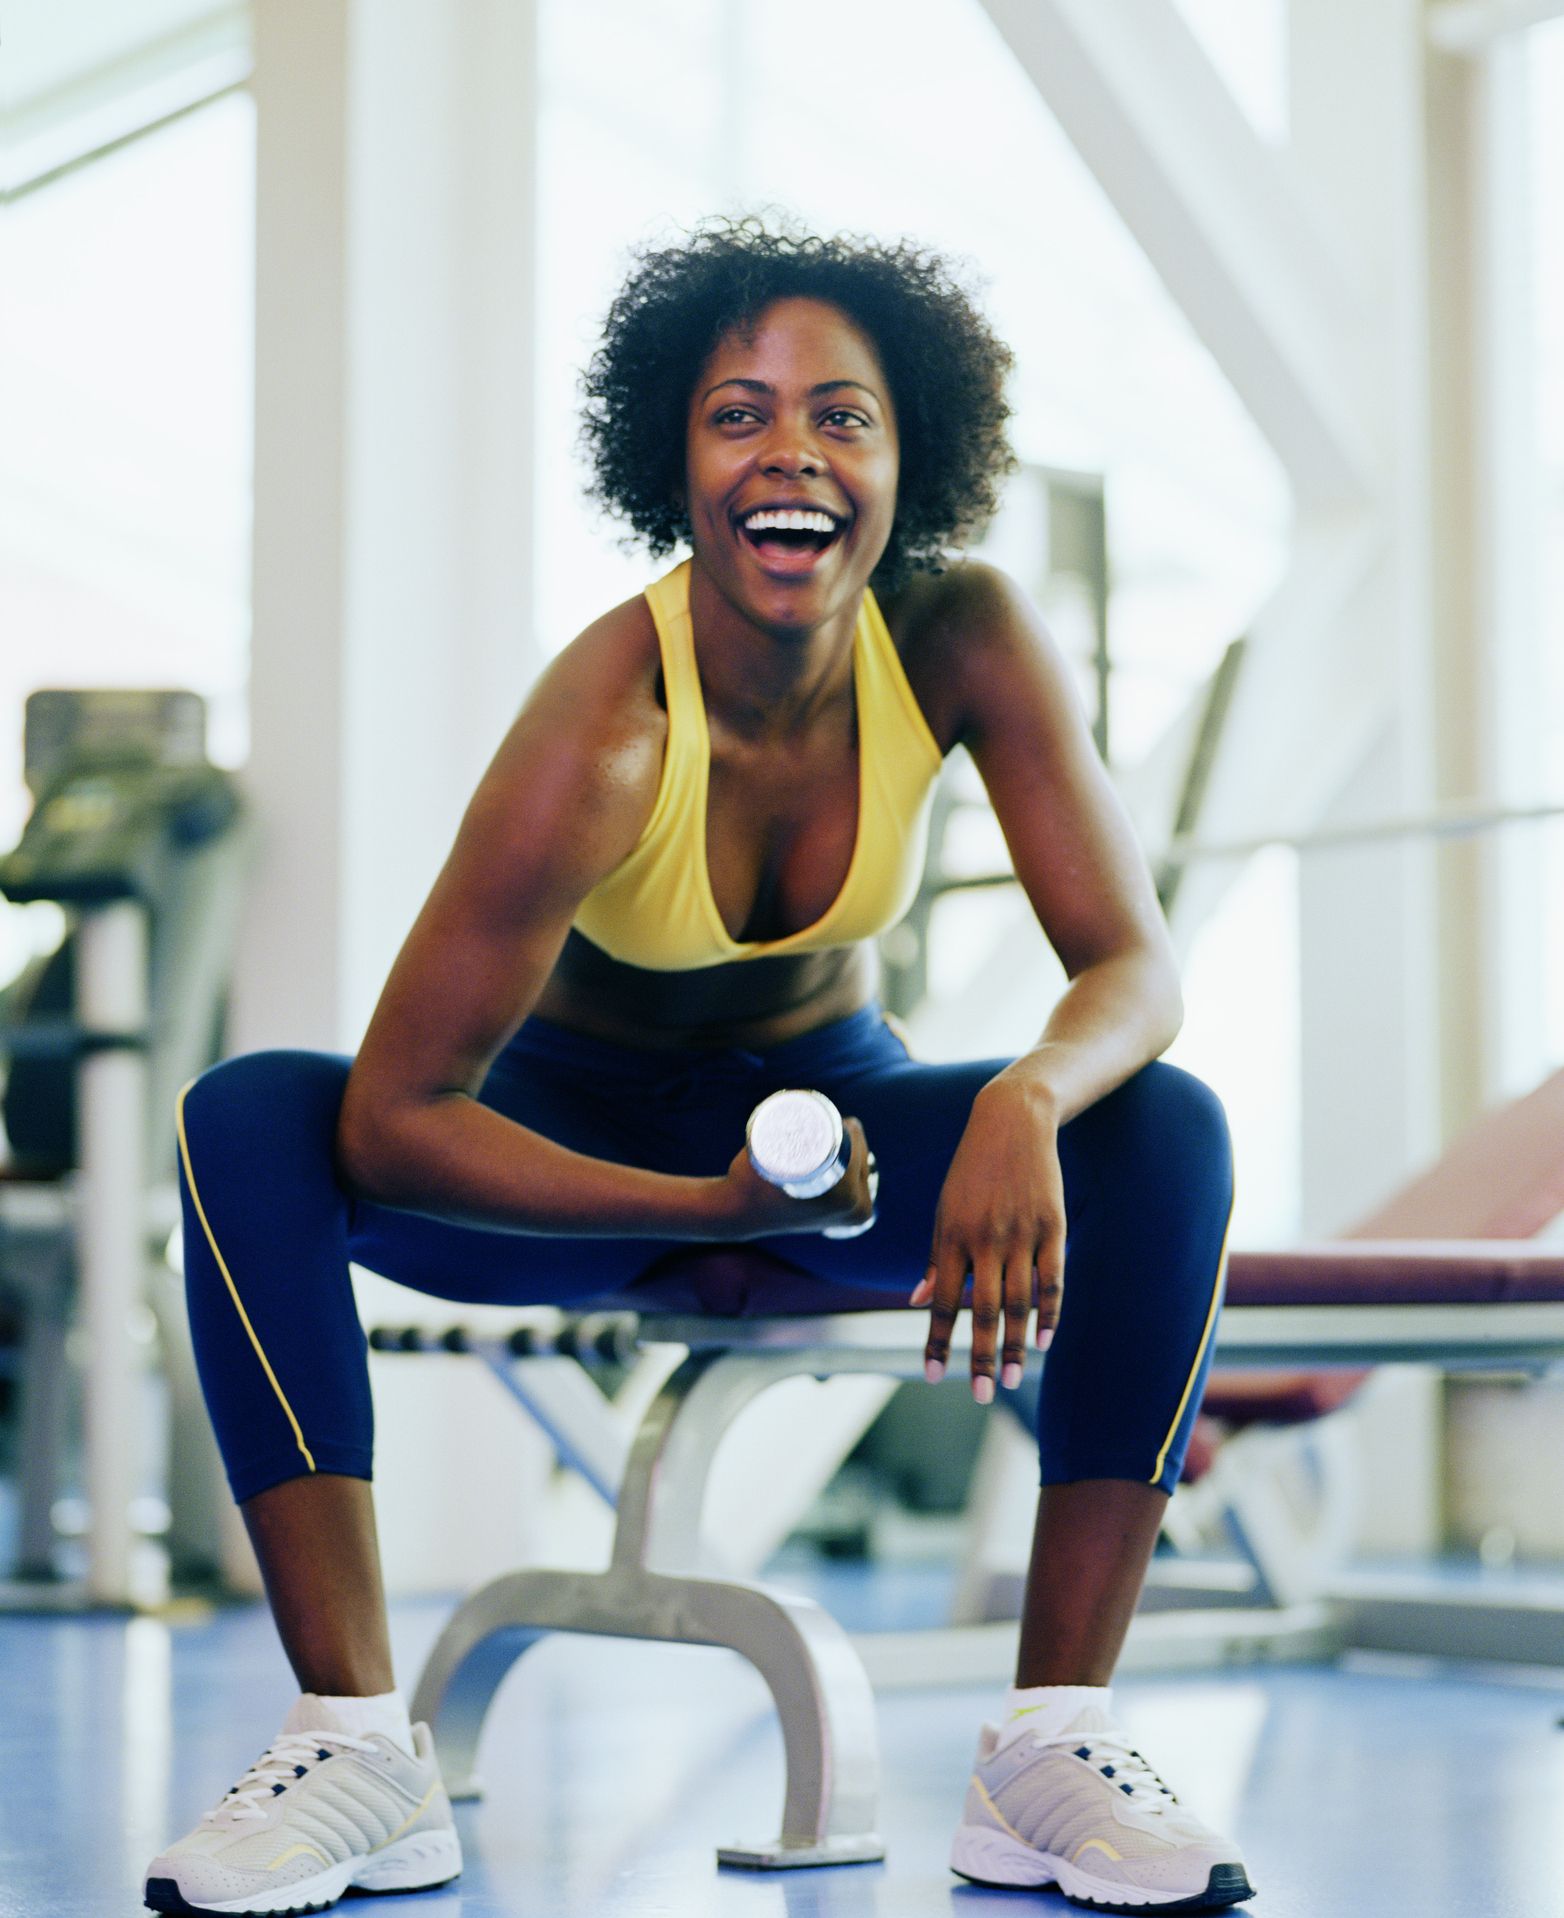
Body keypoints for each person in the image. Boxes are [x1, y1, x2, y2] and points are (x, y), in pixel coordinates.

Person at [145, 219, 1251, 1916]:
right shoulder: (604, 719)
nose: (793, 451)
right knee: (249, 1116)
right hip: (576, 1164)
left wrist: (1022, 1097)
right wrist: (702, 1201)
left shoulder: (957, 637)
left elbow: (1133, 966)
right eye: (739, 415)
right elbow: (394, 1114)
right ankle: (363, 1747)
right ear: (673, 461)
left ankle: (1051, 1744)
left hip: (845, 1144)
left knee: (1157, 1124)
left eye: (843, 415)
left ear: (911, 458)